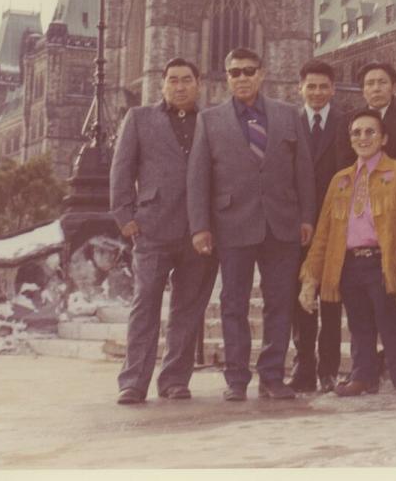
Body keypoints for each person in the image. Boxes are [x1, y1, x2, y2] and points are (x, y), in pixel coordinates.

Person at [187, 47, 315, 402]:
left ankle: (273, 377)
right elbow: (198, 178)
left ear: (262, 73)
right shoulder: (209, 120)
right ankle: (237, 379)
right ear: (226, 77)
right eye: (234, 72)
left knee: (280, 302)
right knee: (233, 303)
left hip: (282, 223)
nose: (242, 78)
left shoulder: (289, 115)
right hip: (232, 224)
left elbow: (303, 172)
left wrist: (307, 217)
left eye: (248, 71)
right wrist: (200, 226)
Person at [110, 58, 218, 405]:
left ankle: (174, 380)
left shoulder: (212, 121)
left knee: (187, 309)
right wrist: (124, 215)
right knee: (145, 306)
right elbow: (121, 169)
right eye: (173, 80)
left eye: (187, 79)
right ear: (162, 85)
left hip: (199, 231)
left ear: (198, 84)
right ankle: (133, 382)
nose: (180, 86)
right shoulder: (140, 119)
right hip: (153, 228)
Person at [299, 108, 396, 396]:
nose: (363, 137)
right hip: (348, 264)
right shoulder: (340, 180)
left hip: (382, 260)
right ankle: (362, 375)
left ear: (384, 138)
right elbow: (323, 233)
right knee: (358, 324)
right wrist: (311, 278)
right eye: (356, 132)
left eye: (370, 132)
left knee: (390, 320)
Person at [288, 61, 346, 394]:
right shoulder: (289, 122)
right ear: (301, 89)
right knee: (301, 301)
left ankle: (329, 369)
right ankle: (303, 366)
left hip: (335, 223)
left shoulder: (344, 123)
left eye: (324, 86)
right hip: (297, 226)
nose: (318, 92)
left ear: (333, 89)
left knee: (331, 298)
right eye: (311, 86)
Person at [339, 60, 396, 165]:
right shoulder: (347, 121)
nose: (376, 88)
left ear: (394, 88)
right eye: (370, 84)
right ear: (362, 90)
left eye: (382, 82)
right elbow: (344, 162)